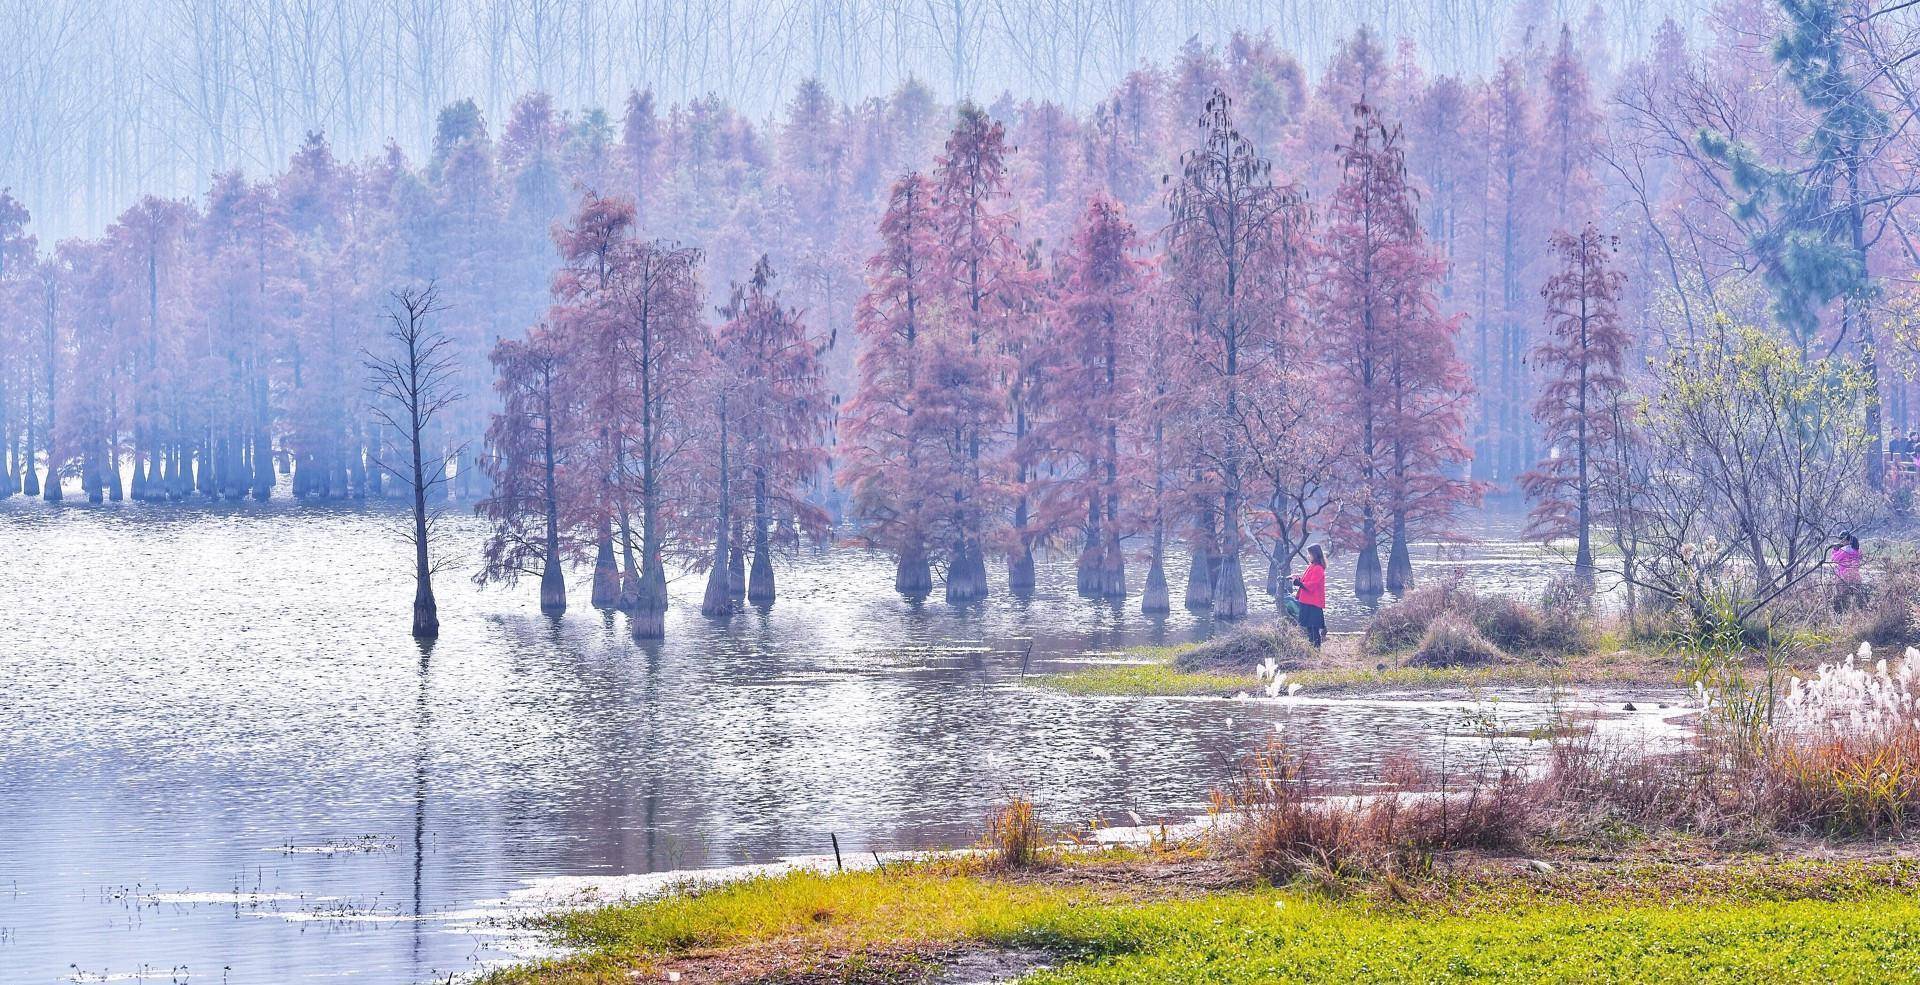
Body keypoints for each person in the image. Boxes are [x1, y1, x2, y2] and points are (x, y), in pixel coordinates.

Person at [1291, 544, 1327, 647]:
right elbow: (1305, 581)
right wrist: (1296, 579)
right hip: (1307, 601)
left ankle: (1316, 649)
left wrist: (1298, 583)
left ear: (1315, 554)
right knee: (1309, 628)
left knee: (1314, 628)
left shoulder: (1318, 568)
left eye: (1309, 554)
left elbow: (1312, 585)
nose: (1308, 556)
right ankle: (1313, 648)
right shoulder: (1312, 566)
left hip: (1313, 602)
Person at [1831, 533, 1864, 612]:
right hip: (1855, 576)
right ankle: (1855, 612)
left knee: (1842, 598)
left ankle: (1843, 612)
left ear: (1846, 540)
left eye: (1842, 539)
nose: (1841, 541)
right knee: (1855, 597)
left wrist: (1834, 549)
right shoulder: (1856, 550)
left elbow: (1834, 558)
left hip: (1843, 577)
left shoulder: (1843, 551)